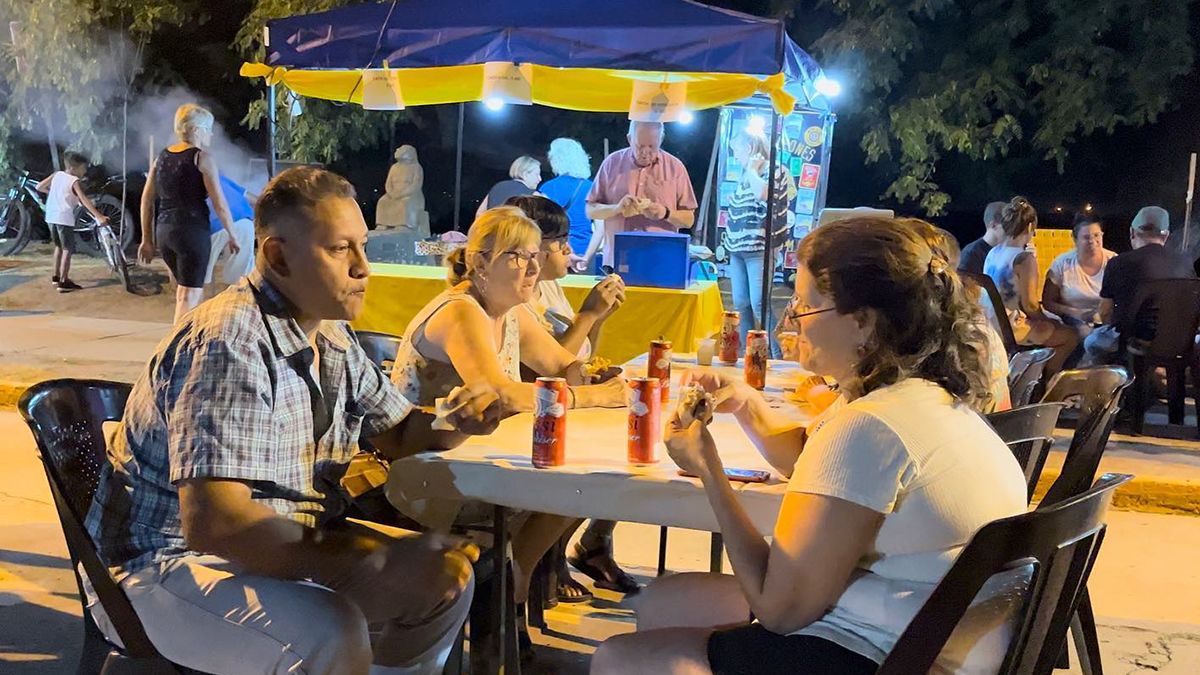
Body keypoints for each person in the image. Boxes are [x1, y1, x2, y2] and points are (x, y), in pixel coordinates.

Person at [84, 166, 504, 675]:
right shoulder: (230, 341)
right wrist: (364, 561)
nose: (363, 268)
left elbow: (397, 432)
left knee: (445, 584)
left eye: (363, 246)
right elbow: (217, 524)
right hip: (159, 569)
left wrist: (458, 420)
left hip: (263, 547)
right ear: (277, 255)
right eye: (339, 249)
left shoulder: (329, 333)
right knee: (330, 628)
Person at [591, 216, 1028, 675]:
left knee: (617, 656)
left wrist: (709, 471)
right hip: (920, 628)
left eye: (806, 306)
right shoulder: (920, 396)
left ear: (862, 322)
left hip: (891, 653)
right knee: (663, 600)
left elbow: (781, 612)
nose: (792, 320)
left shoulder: (872, 427)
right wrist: (747, 405)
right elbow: (815, 462)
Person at [389, 205, 627, 656]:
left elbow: (561, 366)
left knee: (582, 485)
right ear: (480, 264)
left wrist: (595, 376)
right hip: (424, 472)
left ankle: (511, 588)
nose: (534, 267)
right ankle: (505, 601)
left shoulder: (512, 313)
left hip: (474, 461)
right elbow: (496, 393)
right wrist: (594, 397)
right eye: (518, 256)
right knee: (573, 486)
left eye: (536, 255)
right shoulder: (461, 312)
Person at [506, 195, 640, 602]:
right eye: (558, 241)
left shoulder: (546, 291)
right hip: (516, 433)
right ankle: (526, 581)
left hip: (549, 413)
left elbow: (574, 361)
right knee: (589, 475)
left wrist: (597, 317)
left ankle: (571, 553)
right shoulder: (508, 305)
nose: (568, 249)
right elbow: (544, 376)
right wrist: (588, 316)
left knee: (629, 451)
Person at [139, 103, 240, 324]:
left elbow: (147, 199)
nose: (211, 133)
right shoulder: (202, 158)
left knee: (184, 291)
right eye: (208, 128)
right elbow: (220, 203)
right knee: (189, 295)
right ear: (196, 129)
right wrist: (232, 234)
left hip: (164, 233)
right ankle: (176, 349)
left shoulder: (161, 158)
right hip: (191, 231)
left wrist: (147, 239)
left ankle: (189, 341)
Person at [1083, 206, 1196, 364]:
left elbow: (1105, 311)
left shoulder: (1118, 263)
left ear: (1132, 233)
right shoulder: (1187, 263)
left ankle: (1106, 382)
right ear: (1166, 236)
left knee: (1092, 341)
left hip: (1135, 341)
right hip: (1179, 342)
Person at [983, 196, 1078, 375]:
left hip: (992, 322)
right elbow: (1031, 305)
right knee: (1071, 335)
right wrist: (1048, 319)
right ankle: (1048, 383)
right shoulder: (1023, 259)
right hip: (1013, 328)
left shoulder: (993, 252)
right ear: (1029, 227)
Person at [586, 121, 698, 264]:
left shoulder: (675, 168)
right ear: (629, 139)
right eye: (640, 146)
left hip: (660, 260)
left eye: (652, 146)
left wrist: (665, 213)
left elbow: (689, 220)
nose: (645, 152)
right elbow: (590, 210)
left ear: (661, 140)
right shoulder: (611, 163)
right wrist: (616, 208)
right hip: (618, 260)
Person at [722, 129, 792, 354]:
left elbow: (763, 195)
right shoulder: (746, 174)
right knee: (742, 305)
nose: (735, 156)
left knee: (760, 304)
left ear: (750, 148)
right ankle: (748, 354)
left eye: (737, 151)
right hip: (737, 250)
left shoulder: (775, 170)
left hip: (759, 249)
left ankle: (776, 355)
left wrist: (752, 170)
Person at [35, 151, 109, 292]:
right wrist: (99, 216)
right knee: (68, 249)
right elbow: (84, 200)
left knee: (58, 247)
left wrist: (55, 193)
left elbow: (39, 187)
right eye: (83, 168)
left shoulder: (56, 175)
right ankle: (64, 281)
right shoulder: (73, 181)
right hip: (64, 218)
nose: (84, 171)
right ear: (74, 168)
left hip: (51, 217)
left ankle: (56, 277)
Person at [1042, 214, 1116, 333]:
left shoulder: (1113, 261)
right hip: (1072, 320)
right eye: (1086, 237)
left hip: (1106, 321)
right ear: (1075, 240)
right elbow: (1048, 302)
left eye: (1096, 235)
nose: (1092, 241)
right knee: (1086, 334)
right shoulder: (1062, 263)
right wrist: (1076, 313)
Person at [540, 138, 603, 272]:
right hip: (585, 254)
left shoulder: (548, 189)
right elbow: (600, 229)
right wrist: (586, 257)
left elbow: (543, 226)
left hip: (556, 255)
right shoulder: (592, 188)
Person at [204, 174, 257, 290]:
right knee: (241, 278)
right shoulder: (218, 176)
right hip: (244, 222)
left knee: (197, 280)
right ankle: (236, 300)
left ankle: (200, 303)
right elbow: (254, 200)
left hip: (211, 226)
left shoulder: (189, 178)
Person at [476, 155, 541, 218]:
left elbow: (479, 215)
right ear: (525, 174)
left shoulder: (497, 187)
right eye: (537, 174)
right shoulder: (533, 195)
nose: (539, 179)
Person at [957, 201, 1006, 275]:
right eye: (1008, 226)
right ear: (993, 225)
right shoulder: (971, 254)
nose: (1013, 229)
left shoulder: (1005, 251)